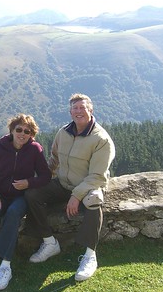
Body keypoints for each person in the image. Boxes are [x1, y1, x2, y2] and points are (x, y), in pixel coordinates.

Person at [25, 93, 115, 281]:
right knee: (32, 195)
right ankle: (50, 243)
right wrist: (42, 179)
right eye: (75, 108)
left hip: (88, 186)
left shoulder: (101, 139)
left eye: (83, 108)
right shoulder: (63, 133)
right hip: (63, 183)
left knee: (93, 202)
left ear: (91, 110)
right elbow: (54, 159)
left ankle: (90, 255)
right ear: (70, 112)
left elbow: (97, 176)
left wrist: (76, 196)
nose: (79, 111)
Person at [0, 114, 52, 292]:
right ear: (11, 130)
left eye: (27, 131)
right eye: (19, 129)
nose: (22, 134)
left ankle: (5, 266)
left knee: (13, 214)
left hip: (20, 196)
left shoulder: (35, 149)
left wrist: (28, 183)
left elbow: (45, 176)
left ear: (32, 134)